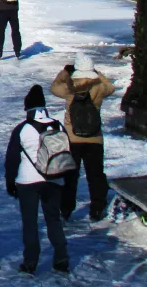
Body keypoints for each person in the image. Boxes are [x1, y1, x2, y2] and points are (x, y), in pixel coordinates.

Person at [5, 85, 69, 275]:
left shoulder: (22, 129)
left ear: (27, 109)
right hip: (54, 180)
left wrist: (10, 182)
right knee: (53, 219)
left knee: (30, 222)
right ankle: (61, 257)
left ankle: (30, 261)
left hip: (28, 182)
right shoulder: (58, 125)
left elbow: (12, 160)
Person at [51, 55, 116, 221]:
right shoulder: (99, 86)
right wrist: (97, 73)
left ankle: (66, 209)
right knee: (95, 175)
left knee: (70, 176)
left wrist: (65, 72)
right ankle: (97, 208)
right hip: (94, 138)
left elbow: (54, 87)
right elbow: (111, 87)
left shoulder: (70, 86)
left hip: (72, 139)